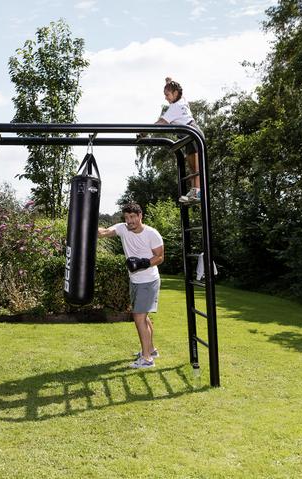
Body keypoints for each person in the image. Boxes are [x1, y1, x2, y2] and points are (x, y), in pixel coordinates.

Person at [98, 203, 164, 368]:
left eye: (132, 217)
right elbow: (103, 232)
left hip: (148, 280)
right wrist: (87, 222)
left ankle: (147, 359)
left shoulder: (152, 234)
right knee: (143, 317)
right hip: (134, 280)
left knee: (139, 317)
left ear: (140, 216)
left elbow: (160, 257)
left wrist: (142, 263)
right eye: (126, 217)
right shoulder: (122, 228)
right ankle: (151, 350)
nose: (129, 221)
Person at [155, 77, 204, 203]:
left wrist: (144, 131)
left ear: (175, 93)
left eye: (167, 95)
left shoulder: (175, 108)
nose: (165, 98)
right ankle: (195, 191)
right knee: (192, 166)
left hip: (192, 134)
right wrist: (168, 82)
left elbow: (162, 122)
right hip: (188, 135)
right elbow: (175, 89)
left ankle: (198, 192)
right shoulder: (182, 100)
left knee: (195, 167)